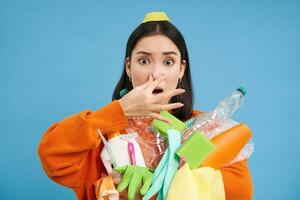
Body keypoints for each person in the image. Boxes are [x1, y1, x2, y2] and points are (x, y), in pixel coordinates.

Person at [37, 12, 253, 200]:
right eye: (143, 61)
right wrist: (120, 111)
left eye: (168, 62)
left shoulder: (209, 128)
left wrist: (154, 188)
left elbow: (239, 193)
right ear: (128, 67)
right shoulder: (102, 135)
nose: (155, 74)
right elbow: (51, 153)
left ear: (181, 70)